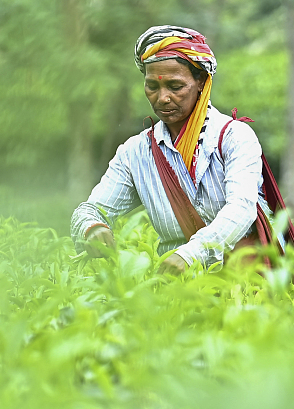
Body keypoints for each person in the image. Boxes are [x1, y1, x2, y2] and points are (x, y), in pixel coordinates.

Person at [70, 25, 266, 274]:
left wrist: (191, 254)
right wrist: (92, 227)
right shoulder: (136, 153)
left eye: (175, 86)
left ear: (201, 83)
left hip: (245, 280)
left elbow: (241, 208)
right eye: (152, 86)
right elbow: (90, 209)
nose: (162, 98)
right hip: (174, 285)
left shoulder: (234, 137)